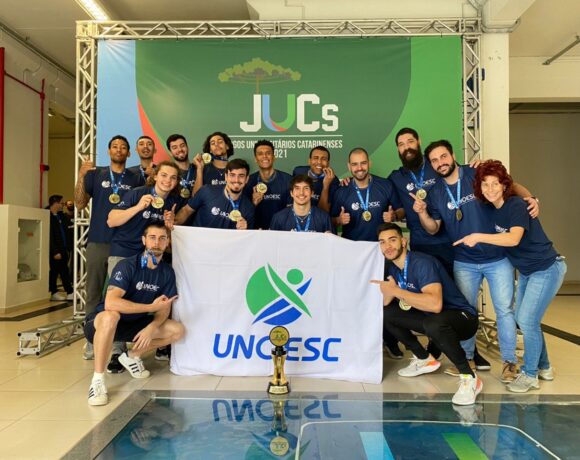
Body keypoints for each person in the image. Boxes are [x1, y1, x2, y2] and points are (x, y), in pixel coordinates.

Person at [413, 140, 539, 381]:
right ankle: (468, 357)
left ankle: (509, 363)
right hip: (464, 261)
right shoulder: (435, 192)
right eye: (435, 160)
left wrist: (531, 197)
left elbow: (509, 184)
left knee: (504, 311)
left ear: (453, 155)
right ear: (431, 165)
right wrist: (422, 213)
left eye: (443, 156)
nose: (440, 162)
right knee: (466, 312)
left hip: (498, 257)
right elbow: (432, 228)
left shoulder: (476, 172)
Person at [454, 160, 566, 393]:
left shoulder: (515, 205)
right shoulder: (494, 209)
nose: (490, 189)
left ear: (505, 185)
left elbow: (513, 239)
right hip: (527, 271)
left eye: (495, 183)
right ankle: (544, 367)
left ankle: (530, 375)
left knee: (526, 320)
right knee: (527, 319)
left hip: (546, 268)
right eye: (485, 184)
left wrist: (478, 236)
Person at [371, 223, 482, 406]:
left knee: (434, 324)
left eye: (392, 240)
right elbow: (386, 303)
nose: (387, 246)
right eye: (382, 242)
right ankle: (424, 359)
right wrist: (387, 290)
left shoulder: (422, 263)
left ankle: (469, 378)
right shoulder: (393, 269)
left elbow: (435, 305)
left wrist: (397, 291)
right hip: (434, 320)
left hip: (463, 319)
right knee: (387, 314)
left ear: (403, 241)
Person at [84, 222, 185, 406]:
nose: (156, 243)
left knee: (177, 331)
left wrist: (151, 328)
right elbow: (111, 303)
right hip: (102, 324)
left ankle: (131, 356)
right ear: (144, 240)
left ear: (167, 242)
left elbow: (164, 308)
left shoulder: (167, 272)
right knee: (111, 316)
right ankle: (97, 380)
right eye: (152, 238)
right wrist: (149, 307)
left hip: (135, 324)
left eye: (162, 238)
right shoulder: (127, 265)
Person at [74, 135, 145, 360]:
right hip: (98, 240)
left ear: (129, 153)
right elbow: (79, 203)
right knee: (93, 292)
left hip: (124, 245)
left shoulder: (136, 177)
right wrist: (81, 175)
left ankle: (117, 342)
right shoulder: (96, 174)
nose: (119, 150)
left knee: (119, 294)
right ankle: (91, 339)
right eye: (115, 146)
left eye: (123, 147)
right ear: (109, 151)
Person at [331, 148, 402, 242]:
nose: (359, 168)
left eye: (363, 163)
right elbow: (329, 221)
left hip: (380, 245)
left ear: (369, 163)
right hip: (352, 246)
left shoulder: (386, 185)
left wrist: (394, 216)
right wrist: (339, 220)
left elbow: (401, 210)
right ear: (349, 166)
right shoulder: (341, 191)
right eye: (354, 164)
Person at [175, 158, 254, 230]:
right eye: (232, 175)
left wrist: (244, 231)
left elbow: (247, 238)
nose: (236, 180)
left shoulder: (248, 208)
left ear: (247, 179)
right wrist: (173, 222)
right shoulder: (207, 191)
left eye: (241, 176)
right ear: (226, 177)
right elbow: (186, 210)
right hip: (198, 241)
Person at [244, 140, 292, 229]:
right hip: (256, 232)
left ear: (274, 157)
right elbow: (244, 215)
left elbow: (291, 213)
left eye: (268, 153)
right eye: (260, 154)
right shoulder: (248, 181)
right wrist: (253, 203)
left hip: (281, 231)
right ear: (255, 159)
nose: (264, 156)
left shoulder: (288, 180)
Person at [292, 146, 340, 212]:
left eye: (324, 159)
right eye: (315, 158)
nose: (319, 162)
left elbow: (323, 212)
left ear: (328, 163)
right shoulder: (298, 172)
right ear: (309, 161)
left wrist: (326, 186)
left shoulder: (334, 180)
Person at [47, 195, 73, 301]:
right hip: (55, 251)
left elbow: (68, 229)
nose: (63, 206)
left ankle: (68, 291)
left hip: (63, 248)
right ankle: (56, 291)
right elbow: (49, 236)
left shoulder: (62, 216)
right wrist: (54, 251)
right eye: (62, 203)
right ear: (55, 203)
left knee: (63, 270)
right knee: (56, 271)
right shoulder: (47, 216)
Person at [166, 134, 203, 200]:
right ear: (170, 152)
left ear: (187, 148)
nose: (180, 149)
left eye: (182, 146)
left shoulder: (199, 168)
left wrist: (199, 168)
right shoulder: (169, 173)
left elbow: (199, 196)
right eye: (175, 148)